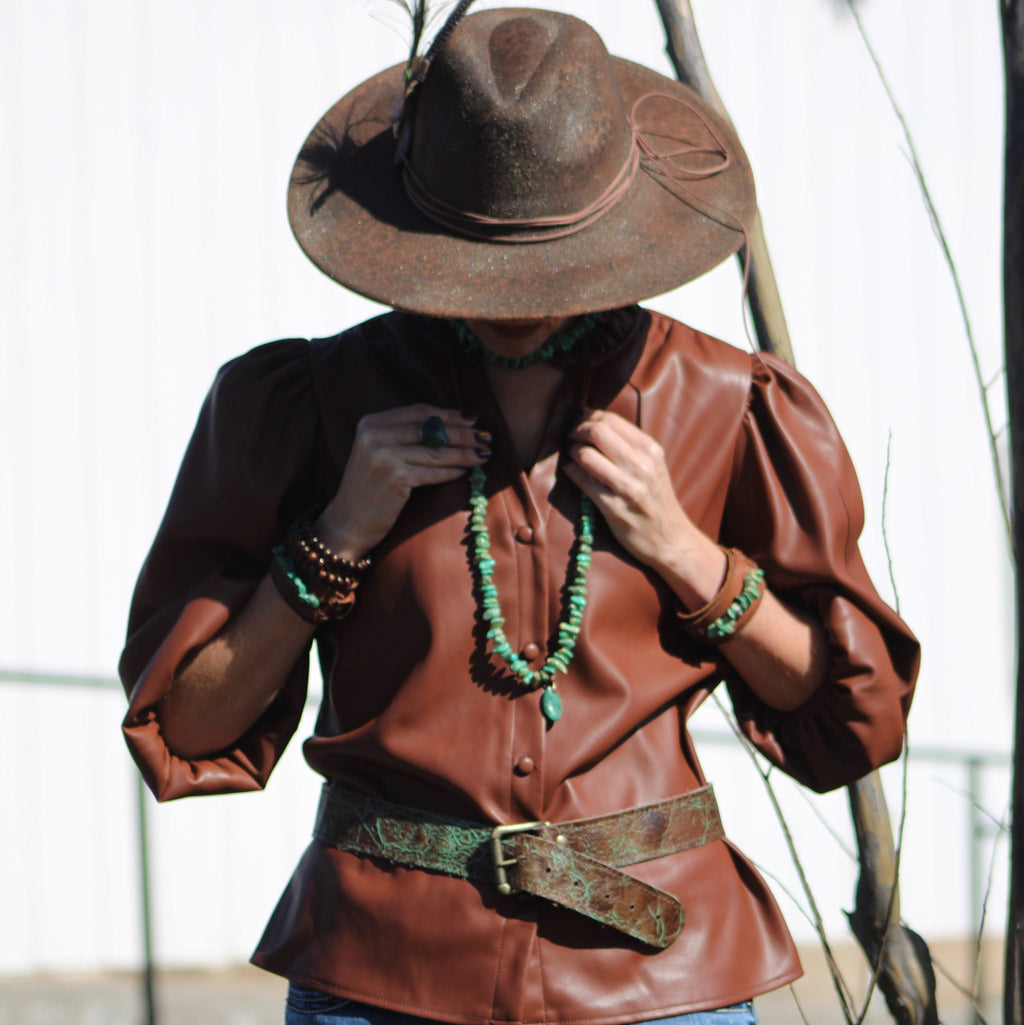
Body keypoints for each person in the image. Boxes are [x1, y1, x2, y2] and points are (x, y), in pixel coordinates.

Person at [119, 7, 919, 1025]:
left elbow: (855, 716)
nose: (515, 298)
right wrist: (332, 539)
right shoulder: (301, 404)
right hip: (379, 976)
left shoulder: (731, 405)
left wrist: (689, 556)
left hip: (662, 982)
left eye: (554, 259)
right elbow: (186, 725)